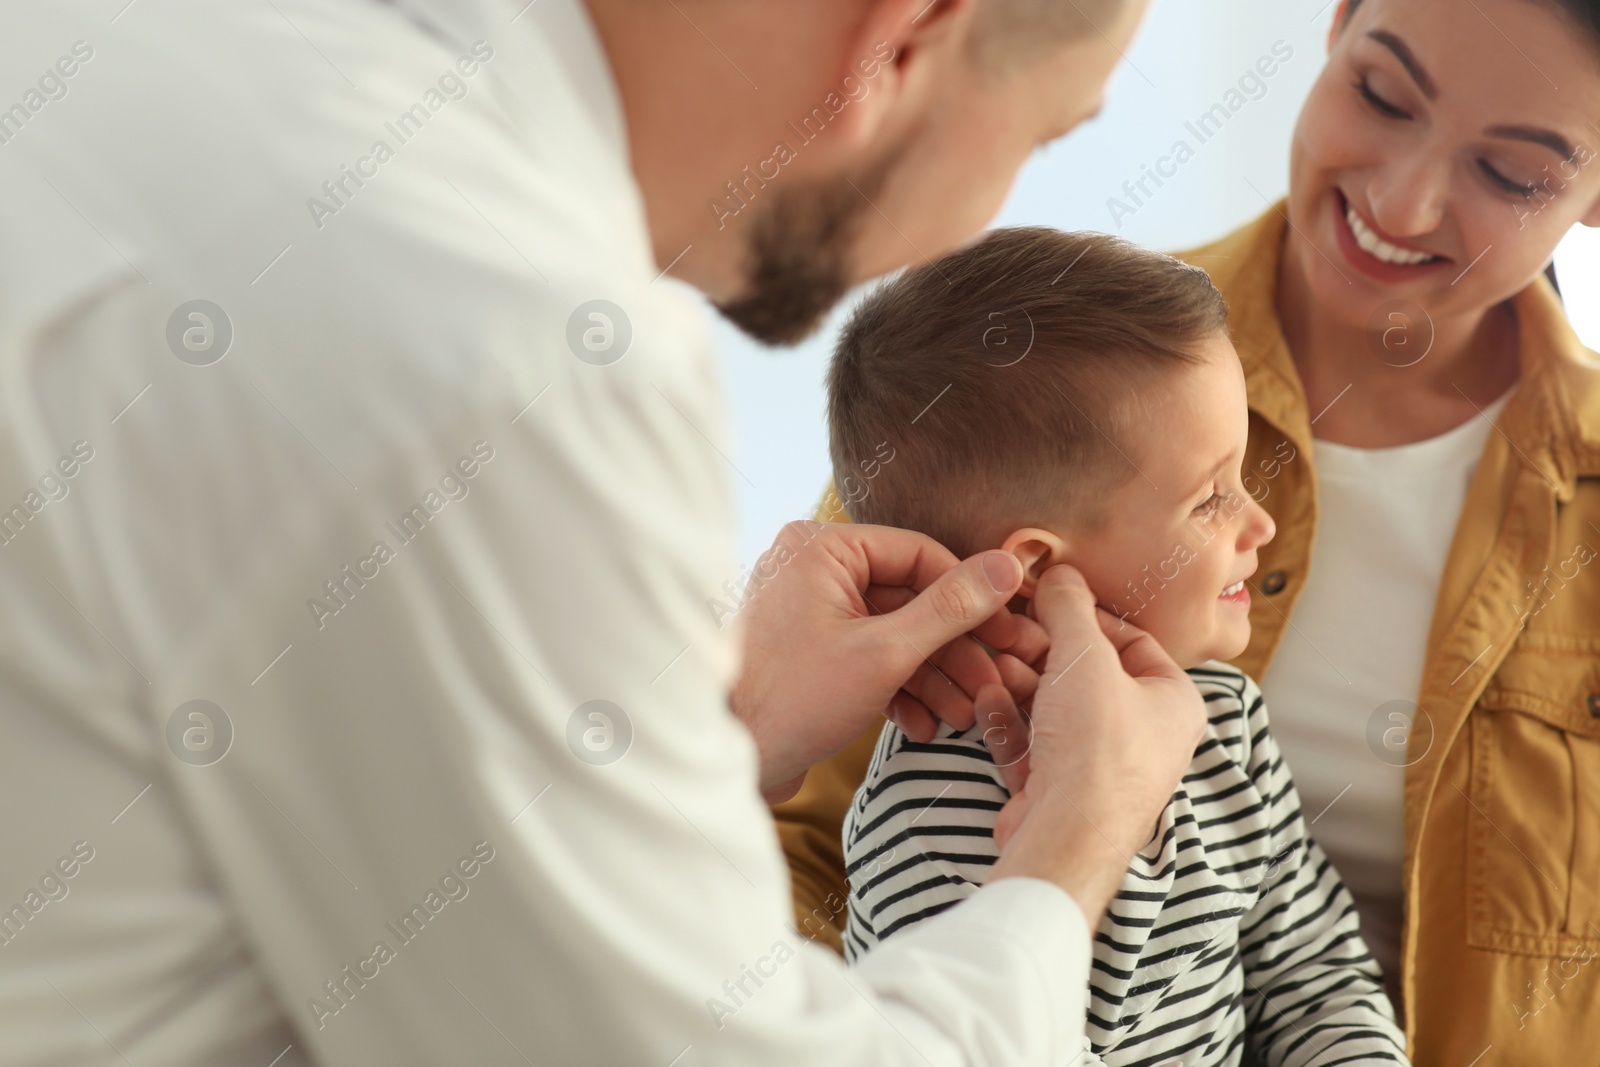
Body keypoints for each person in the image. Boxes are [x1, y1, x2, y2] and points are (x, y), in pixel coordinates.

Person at [0, 0, 1212, 1064]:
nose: (976, 230)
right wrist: (1074, 844)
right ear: (908, 35)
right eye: (1041, 135)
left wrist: (722, 729)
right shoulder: (509, 347)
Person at [777, 0, 1600, 1061]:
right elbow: (788, 845)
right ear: (1338, 23)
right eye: (1381, 95)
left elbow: (1311, 962)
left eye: (1512, 175)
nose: (1405, 199)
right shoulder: (1017, 377)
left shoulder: (1229, 736)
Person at [832, 227, 1407, 1066]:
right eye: (1211, 499)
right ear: (1032, 570)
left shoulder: (1223, 714)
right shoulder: (932, 812)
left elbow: (1311, 971)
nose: (1261, 523)